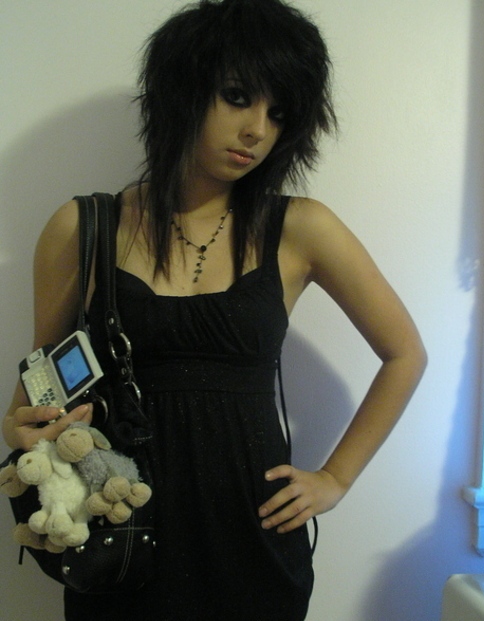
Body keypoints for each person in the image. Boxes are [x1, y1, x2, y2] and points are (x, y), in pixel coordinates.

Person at [2, 0, 427, 619]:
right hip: (124, 534)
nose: (257, 129)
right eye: (237, 97)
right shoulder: (84, 228)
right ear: (180, 91)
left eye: (278, 113)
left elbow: (405, 353)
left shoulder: (300, 228)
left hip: (256, 534)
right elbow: (38, 388)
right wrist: (20, 429)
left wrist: (335, 478)